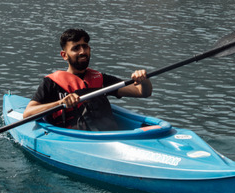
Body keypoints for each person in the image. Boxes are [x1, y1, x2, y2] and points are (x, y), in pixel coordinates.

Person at [23, 28, 152, 131]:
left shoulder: (101, 79)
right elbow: (28, 113)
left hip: (106, 136)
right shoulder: (51, 83)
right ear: (64, 55)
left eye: (85, 46)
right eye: (76, 48)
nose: (82, 51)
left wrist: (143, 80)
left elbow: (143, 92)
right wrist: (60, 103)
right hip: (73, 139)